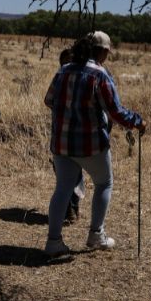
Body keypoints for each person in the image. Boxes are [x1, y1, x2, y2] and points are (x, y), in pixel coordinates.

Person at [43, 31, 146, 256]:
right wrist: (138, 122)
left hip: (62, 143)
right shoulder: (99, 74)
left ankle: (53, 241)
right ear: (103, 51)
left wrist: (69, 114)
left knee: (62, 188)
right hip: (91, 144)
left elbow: (48, 100)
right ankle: (96, 234)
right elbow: (116, 112)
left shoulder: (63, 70)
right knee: (104, 183)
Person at [56, 48, 85, 225]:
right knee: (72, 174)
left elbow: (49, 101)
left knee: (70, 174)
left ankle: (72, 208)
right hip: (74, 135)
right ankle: (70, 209)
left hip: (62, 134)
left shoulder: (59, 77)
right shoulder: (80, 78)